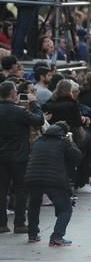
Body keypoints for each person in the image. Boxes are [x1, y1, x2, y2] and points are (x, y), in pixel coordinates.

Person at [24, 121, 82, 245]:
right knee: (66, 208)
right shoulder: (63, 142)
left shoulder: (38, 141)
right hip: (54, 179)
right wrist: (71, 141)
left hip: (32, 177)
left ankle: (32, 234)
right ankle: (57, 236)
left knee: (33, 206)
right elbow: (77, 157)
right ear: (64, 133)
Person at [0, 80, 44, 233]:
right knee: (21, 189)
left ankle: (1, 224)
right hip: (19, 156)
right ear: (13, 94)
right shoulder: (19, 111)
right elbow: (39, 120)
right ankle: (19, 223)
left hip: (1, 156)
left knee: (2, 190)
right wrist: (35, 104)